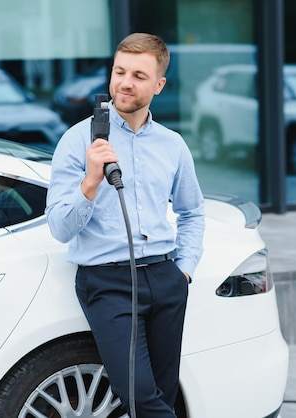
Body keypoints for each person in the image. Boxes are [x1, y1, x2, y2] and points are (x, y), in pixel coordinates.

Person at [45, 33, 205, 417]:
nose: (125, 83)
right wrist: (91, 181)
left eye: (138, 75)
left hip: (165, 278)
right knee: (138, 396)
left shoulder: (172, 145)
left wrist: (183, 270)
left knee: (164, 396)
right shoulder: (77, 140)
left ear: (159, 85)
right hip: (108, 282)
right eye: (119, 71)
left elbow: (192, 211)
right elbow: (59, 228)